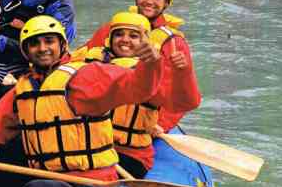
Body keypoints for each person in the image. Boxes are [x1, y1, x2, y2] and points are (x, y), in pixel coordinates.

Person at [0, 15, 164, 187]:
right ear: (25, 51)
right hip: (42, 174)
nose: (42, 49)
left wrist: (150, 65)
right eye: (34, 43)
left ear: (62, 45)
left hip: (88, 186)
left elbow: (136, 87)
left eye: (49, 41)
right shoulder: (23, 89)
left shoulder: (86, 76)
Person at [76, 12, 201, 178]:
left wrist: (183, 72)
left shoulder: (155, 72)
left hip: (130, 154)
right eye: (119, 34)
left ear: (145, 43)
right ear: (109, 39)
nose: (125, 39)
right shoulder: (90, 62)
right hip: (90, 147)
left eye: (133, 36)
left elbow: (186, 103)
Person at [83, 0, 198, 132]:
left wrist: (162, 125)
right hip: (106, 115)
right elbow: (82, 60)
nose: (149, 1)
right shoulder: (113, 28)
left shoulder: (173, 42)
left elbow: (178, 93)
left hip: (144, 120)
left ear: (167, 3)